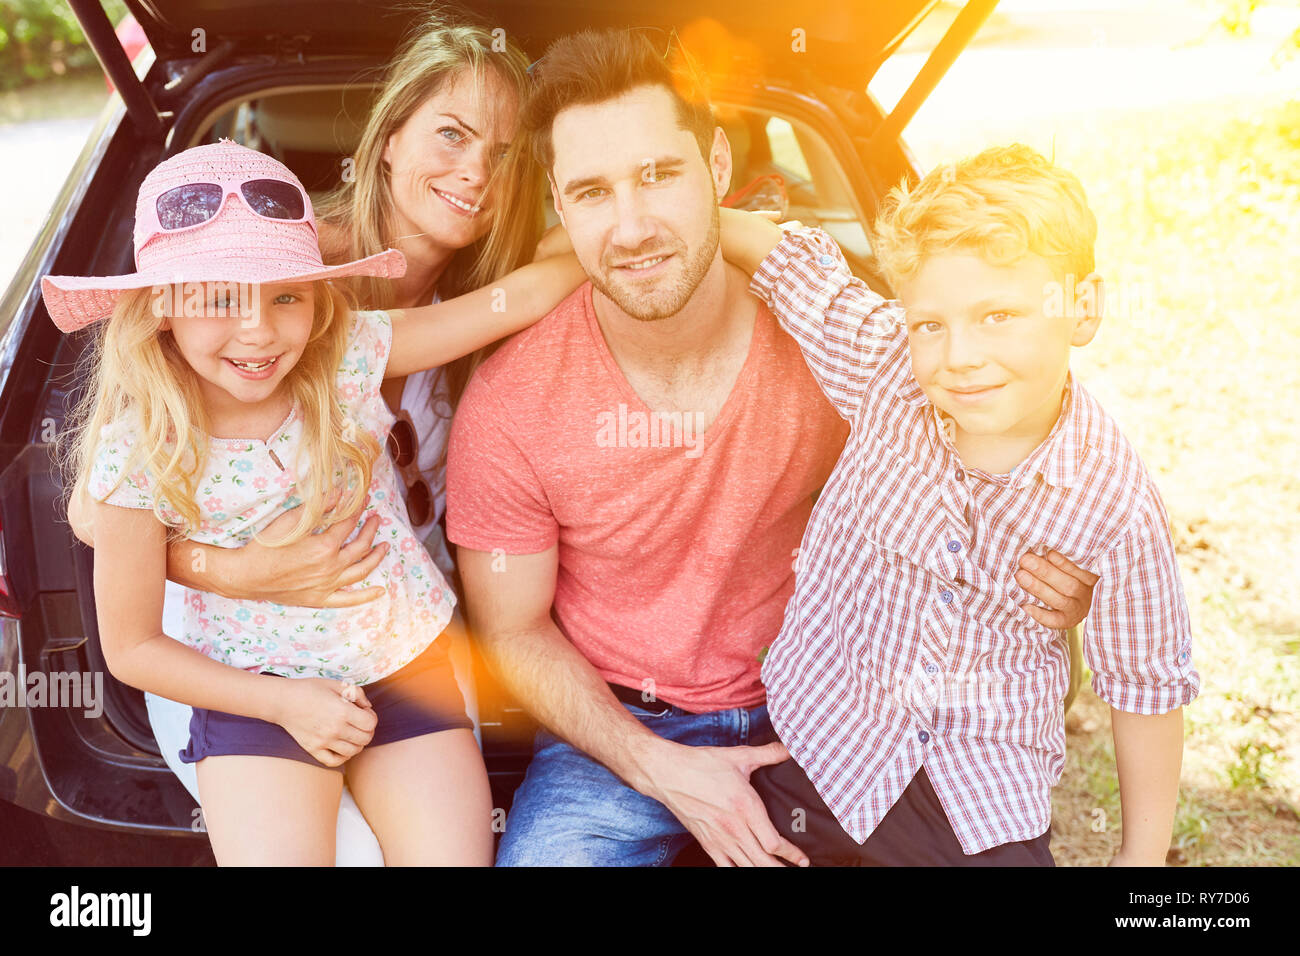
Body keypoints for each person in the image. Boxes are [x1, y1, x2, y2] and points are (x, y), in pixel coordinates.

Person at [445, 28, 1097, 867]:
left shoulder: (832, 348)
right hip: (619, 732)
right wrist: (660, 767)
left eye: (658, 174)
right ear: (559, 207)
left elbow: (987, 466)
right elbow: (514, 628)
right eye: (594, 192)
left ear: (716, 168)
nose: (634, 224)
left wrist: (1053, 578)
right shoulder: (510, 403)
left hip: (842, 704)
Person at [67, 12, 543, 864]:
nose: (256, 328)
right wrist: (239, 573)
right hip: (251, 682)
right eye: (452, 134)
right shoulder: (158, 421)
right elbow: (123, 615)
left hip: (405, 655)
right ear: (388, 139)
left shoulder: (336, 341)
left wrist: (631, 230)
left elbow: (509, 304)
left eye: (505, 153)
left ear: (318, 301)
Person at [720, 144, 1201, 866]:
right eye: (931, 324)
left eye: (997, 315)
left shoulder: (1115, 500)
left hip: (982, 789)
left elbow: (1146, 684)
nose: (959, 356)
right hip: (821, 746)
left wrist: (1139, 861)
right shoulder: (885, 365)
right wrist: (668, 220)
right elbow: (785, 261)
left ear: (1083, 307)